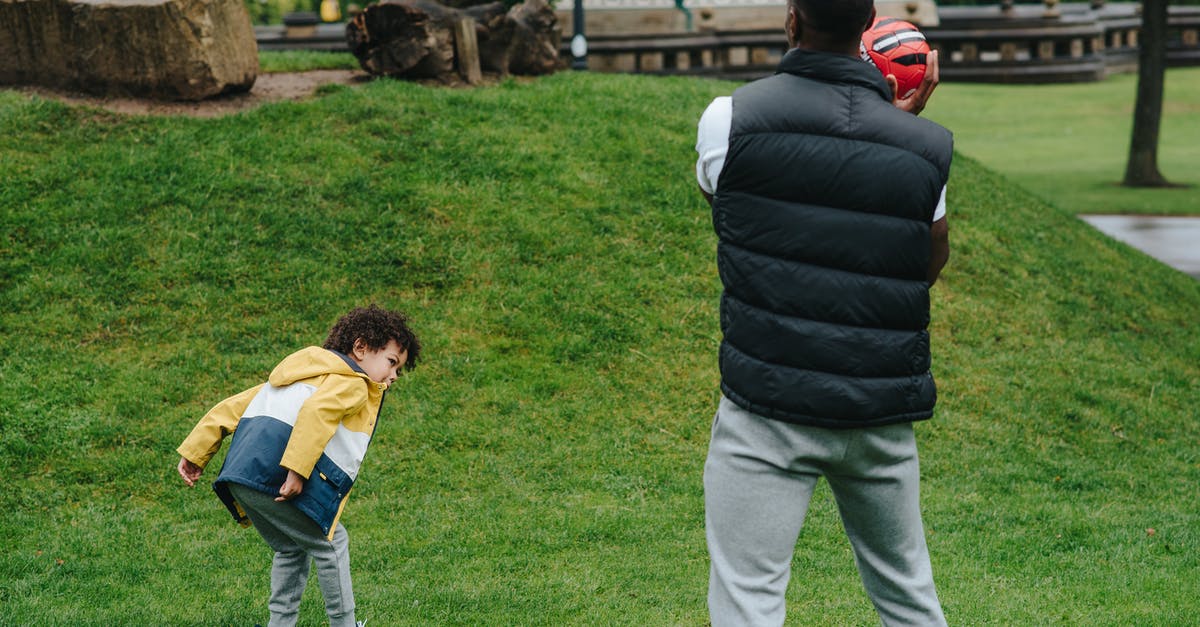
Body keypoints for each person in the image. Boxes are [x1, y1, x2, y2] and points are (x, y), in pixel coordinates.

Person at [694, 0, 952, 624]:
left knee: (748, 602)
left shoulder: (728, 118)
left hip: (766, 405)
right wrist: (897, 130)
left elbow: (732, 210)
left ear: (792, 20)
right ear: (866, 28)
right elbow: (924, 266)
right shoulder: (926, 146)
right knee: (908, 595)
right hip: (877, 411)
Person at [176, 304, 421, 627]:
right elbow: (317, 415)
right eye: (391, 363)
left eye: (398, 371)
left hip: (240, 476)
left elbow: (234, 407)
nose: (392, 377)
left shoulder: (298, 376)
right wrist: (297, 470)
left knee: (291, 548)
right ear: (360, 348)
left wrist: (196, 451)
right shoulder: (352, 383)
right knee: (332, 543)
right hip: (275, 476)